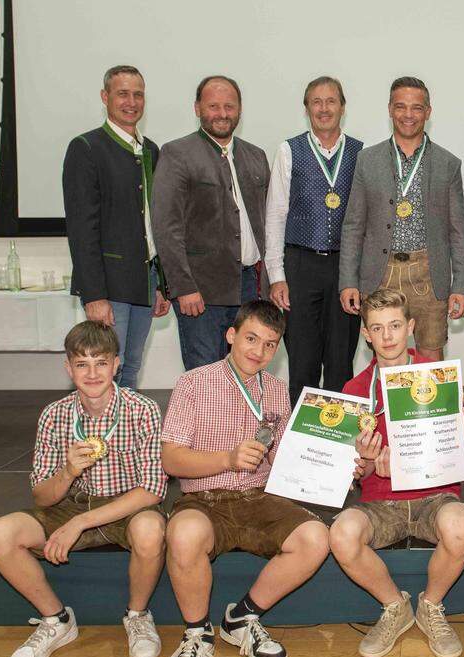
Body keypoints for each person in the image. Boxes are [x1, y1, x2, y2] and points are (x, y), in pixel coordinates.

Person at [0, 321, 166, 657]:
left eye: (101, 362)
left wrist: (80, 523)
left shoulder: (142, 409)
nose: (93, 372)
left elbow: (153, 490)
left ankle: (138, 616)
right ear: (68, 369)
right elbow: (41, 496)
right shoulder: (55, 415)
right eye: (82, 364)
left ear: (117, 364)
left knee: (150, 530)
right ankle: (56, 621)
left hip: (125, 505)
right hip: (70, 505)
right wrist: (68, 472)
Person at [160, 300, 330, 657]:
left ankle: (242, 618)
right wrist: (227, 458)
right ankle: (197, 633)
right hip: (204, 498)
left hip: (259, 497)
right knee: (184, 534)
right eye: (251, 339)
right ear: (231, 335)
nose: (259, 351)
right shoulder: (194, 382)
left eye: (270, 344)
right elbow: (170, 458)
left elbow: (283, 457)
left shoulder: (276, 389)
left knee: (315, 537)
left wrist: (331, 466)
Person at [330, 288, 464, 657]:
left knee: (460, 525)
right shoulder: (354, 390)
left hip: (435, 497)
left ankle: (431, 606)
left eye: (395, 325)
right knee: (342, 534)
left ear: (410, 326)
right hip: (381, 503)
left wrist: (463, 437)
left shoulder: (438, 378)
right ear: (365, 333)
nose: (388, 336)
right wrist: (362, 462)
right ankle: (396, 607)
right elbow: (354, 475)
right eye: (377, 328)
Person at [339, 76, 464, 362]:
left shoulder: (448, 164)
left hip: (429, 274)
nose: (408, 115)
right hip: (380, 273)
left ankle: (429, 409)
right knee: (384, 356)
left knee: (431, 356)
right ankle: (383, 408)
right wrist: (348, 279)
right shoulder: (367, 160)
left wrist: (461, 284)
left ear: (428, 112)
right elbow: (353, 226)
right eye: (401, 107)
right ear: (389, 109)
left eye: (416, 108)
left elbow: (458, 231)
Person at [152, 75, 271, 371]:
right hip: (201, 292)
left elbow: (267, 223)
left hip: (249, 288)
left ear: (240, 110)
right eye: (213, 106)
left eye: (229, 106)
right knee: (205, 374)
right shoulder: (177, 153)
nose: (222, 113)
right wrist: (183, 287)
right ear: (197, 108)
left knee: (246, 373)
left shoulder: (256, 156)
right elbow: (166, 227)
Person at [63, 65, 170, 389]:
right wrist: (94, 295)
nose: (131, 101)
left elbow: (155, 222)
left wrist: (160, 282)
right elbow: (82, 229)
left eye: (138, 94)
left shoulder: (150, 149)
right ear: (105, 97)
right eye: (122, 93)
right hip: (109, 286)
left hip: (144, 280)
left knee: (131, 366)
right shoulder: (86, 148)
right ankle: (100, 441)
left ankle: (126, 438)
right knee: (106, 371)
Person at [264, 76, 363, 404]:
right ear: (306, 109)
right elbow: (276, 216)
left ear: (343, 107)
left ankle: (339, 445)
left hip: (344, 268)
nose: (324, 108)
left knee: (340, 363)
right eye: (316, 102)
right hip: (300, 265)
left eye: (331, 101)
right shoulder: (288, 150)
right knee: (303, 363)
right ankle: (299, 449)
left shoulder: (360, 153)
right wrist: (277, 276)